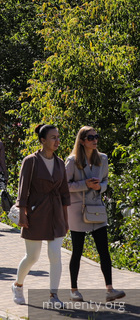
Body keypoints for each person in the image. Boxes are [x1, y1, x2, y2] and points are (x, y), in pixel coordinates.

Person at [11, 124, 71, 309]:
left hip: (56, 214)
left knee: (55, 255)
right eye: (53, 137)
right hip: (36, 212)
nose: (57, 141)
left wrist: (66, 219)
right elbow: (23, 190)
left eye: (58, 137)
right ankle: (17, 285)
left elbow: (64, 193)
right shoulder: (31, 161)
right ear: (42, 140)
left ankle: (54, 295)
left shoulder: (61, 163)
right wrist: (22, 213)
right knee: (32, 256)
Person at [66, 126, 124, 303]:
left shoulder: (103, 159)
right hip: (77, 209)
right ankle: (74, 290)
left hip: (97, 208)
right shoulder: (72, 160)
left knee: (104, 251)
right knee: (77, 251)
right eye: (90, 137)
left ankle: (110, 289)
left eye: (96, 136)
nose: (94, 140)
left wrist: (101, 187)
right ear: (82, 140)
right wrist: (85, 184)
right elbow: (64, 185)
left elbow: (106, 180)